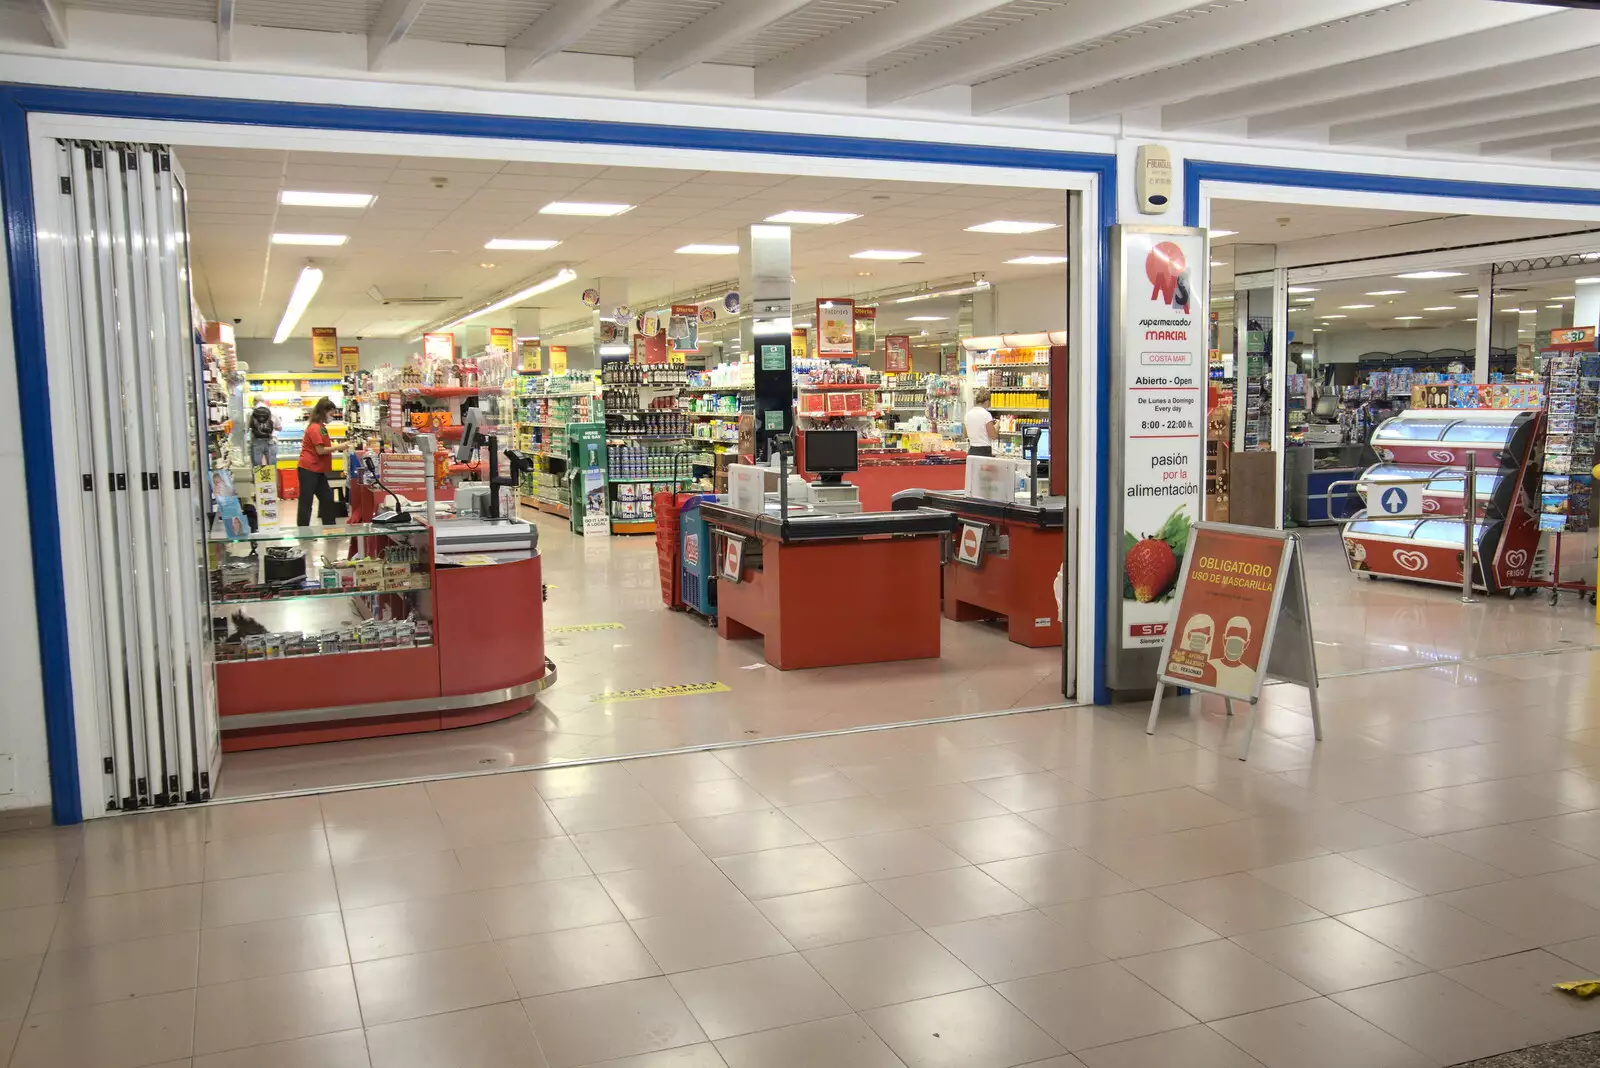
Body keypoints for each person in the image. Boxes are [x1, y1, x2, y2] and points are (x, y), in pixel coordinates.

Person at [297, 397, 339, 527]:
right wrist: (339, 447)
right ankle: (303, 531)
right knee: (306, 501)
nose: (332, 417)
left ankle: (330, 528)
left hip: (318, 470)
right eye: (331, 414)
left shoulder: (321, 427)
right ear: (323, 412)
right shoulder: (315, 428)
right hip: (308, 469)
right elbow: (320, 450)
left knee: (327, 499)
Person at [964, 388, 997, 457]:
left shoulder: (968, 414)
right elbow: (993, 436)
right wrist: (997, 427)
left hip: (972, 450)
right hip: (984, 451)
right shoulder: (986, 414)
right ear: (987, 401)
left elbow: (966, 435)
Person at [247, 404, 279, 468]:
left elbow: (247, 428)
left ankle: (258, 477)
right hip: (270, 441)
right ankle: (271, 477)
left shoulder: (251, 414)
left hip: (256, 441)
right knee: (271, 466)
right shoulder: (273, 414)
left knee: (257, 466)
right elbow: (279, 427)